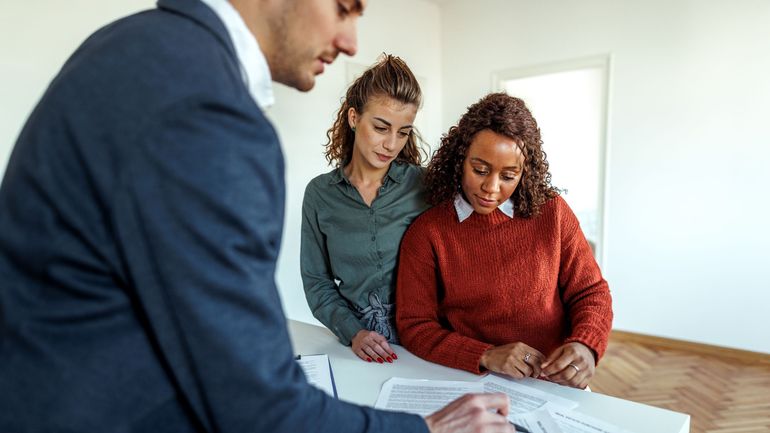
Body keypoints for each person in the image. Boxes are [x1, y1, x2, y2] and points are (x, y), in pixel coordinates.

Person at [0, 0, 517, 432]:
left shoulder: (132, 45)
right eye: (343, 7)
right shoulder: (208, 106)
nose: (351, 40)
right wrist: (427, 429)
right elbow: (255, 402)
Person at [396, 93, 613, 390]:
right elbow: (414, 326)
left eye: (509, 175)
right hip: (470, 379)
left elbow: (591, 292)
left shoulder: (553, 213)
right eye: (480, 170)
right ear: (460, 159)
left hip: (552, 383)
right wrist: (485, 354)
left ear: (525, 173)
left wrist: (586, 344)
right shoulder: (428, 232)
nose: (491, 188)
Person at [301, 54, 429, 365]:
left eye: (403, 132)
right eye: (381, 127)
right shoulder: (319, 194)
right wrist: (353, 332)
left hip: (424, 347)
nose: (391, 144)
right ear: (354, 118)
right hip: (355, 350)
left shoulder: (423, 186)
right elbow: (317, 281)